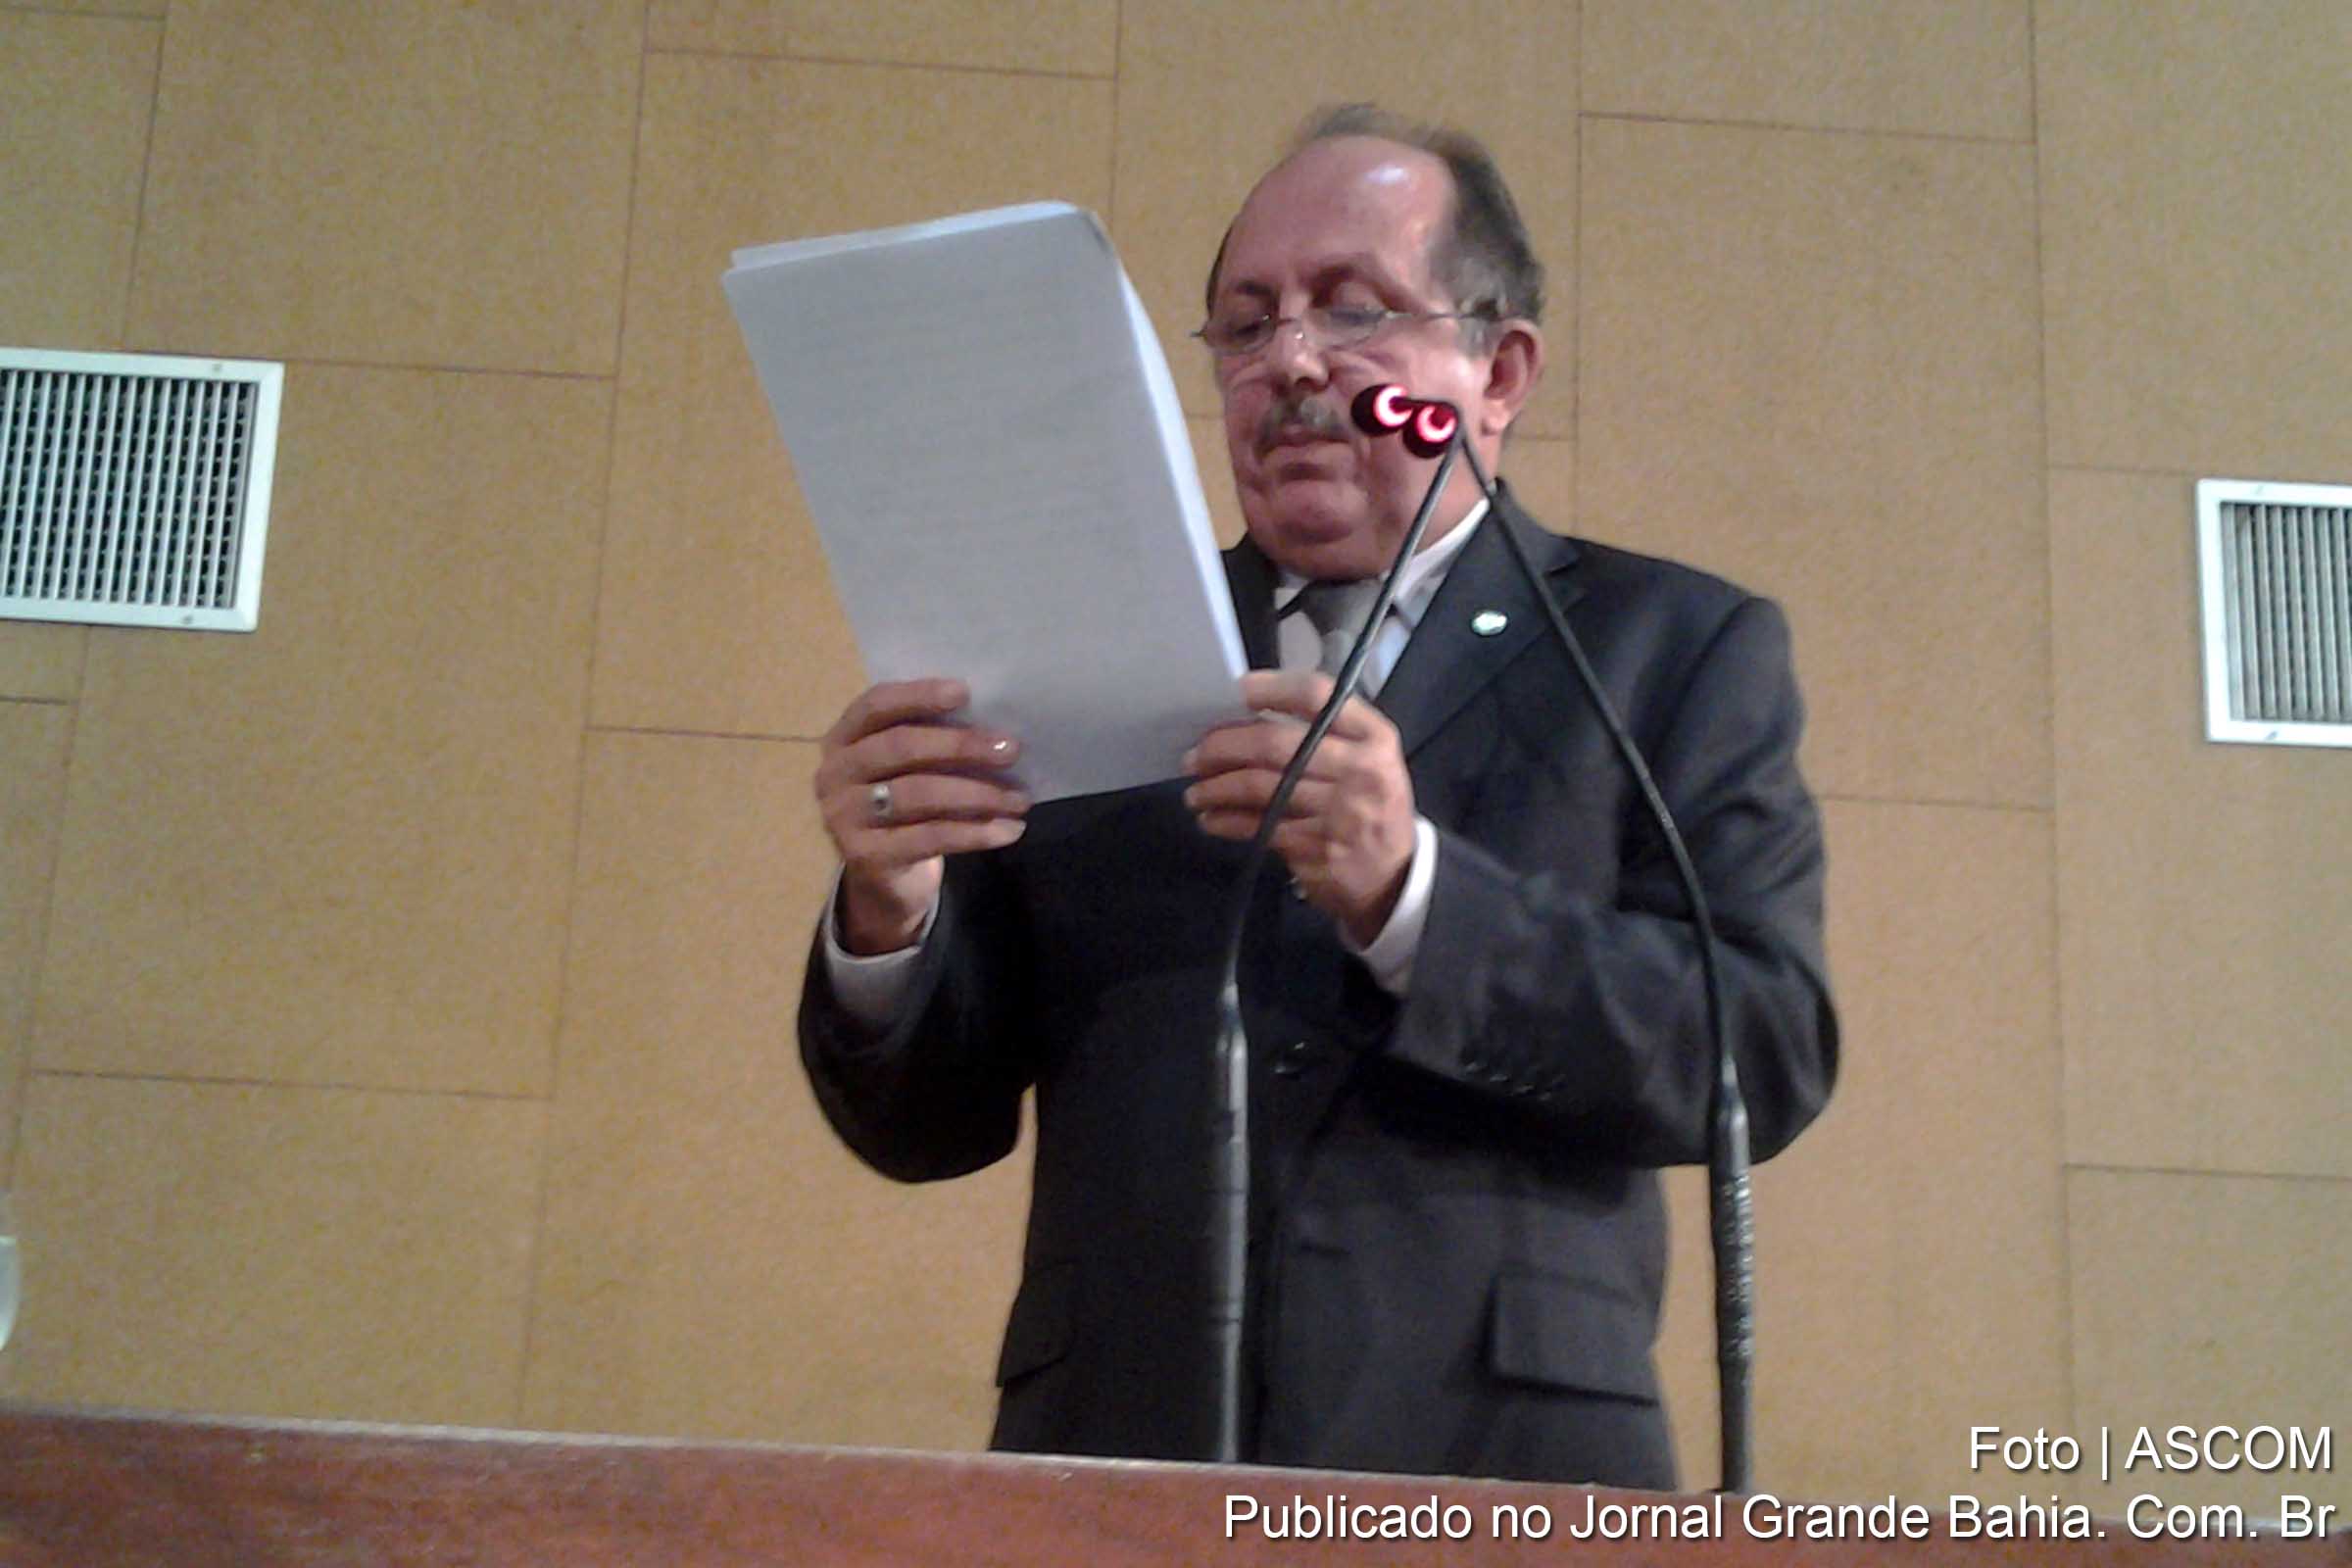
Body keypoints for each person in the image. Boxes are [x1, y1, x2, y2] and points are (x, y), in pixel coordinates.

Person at [797, 105, 1837, 1489]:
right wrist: (891, 912)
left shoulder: (1669, 647)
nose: (1290, 362)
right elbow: (928, 1121)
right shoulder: (1087, 647)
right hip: (1119, 1457)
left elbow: (1757, 1048)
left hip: (1505, 1465)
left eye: (1354, 312)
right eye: (1246, 326)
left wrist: (1414, 899)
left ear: (1498, 370)